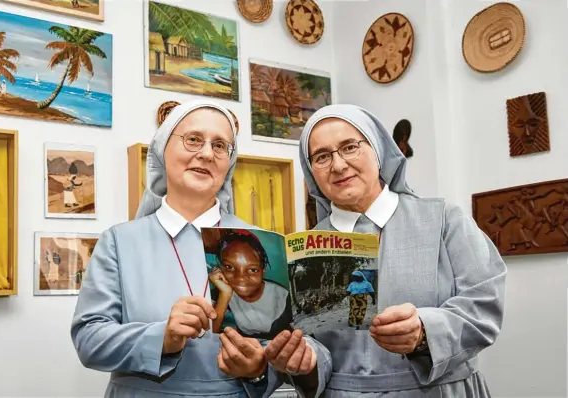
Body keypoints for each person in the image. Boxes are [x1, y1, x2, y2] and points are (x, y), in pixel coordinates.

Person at [70, 99, 330, 397]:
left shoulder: (265, 243)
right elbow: (89, 340)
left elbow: (292, 347)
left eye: (220, 145)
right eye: (193, 140)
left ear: (229, 163)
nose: (206, 153)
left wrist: (258, 369)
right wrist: (161, 338)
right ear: (162, 151)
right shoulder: (119, 241)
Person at [298, 103, 507, 397]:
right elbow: (313, 339)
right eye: (322, 156)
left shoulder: (444, 219)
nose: (339, 165)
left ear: (378, 150)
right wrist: (304, 358)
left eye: (349, 147)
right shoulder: (309, 247)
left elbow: (484, 304)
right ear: (310, 171)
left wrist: (425, 332)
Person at [209, 229, 292, 339]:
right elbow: (208, 337)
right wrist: (225, 294)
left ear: (263, 271)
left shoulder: (283, 297)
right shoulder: (223, 291)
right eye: (230, 267)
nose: (240, 278)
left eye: (252, 270)